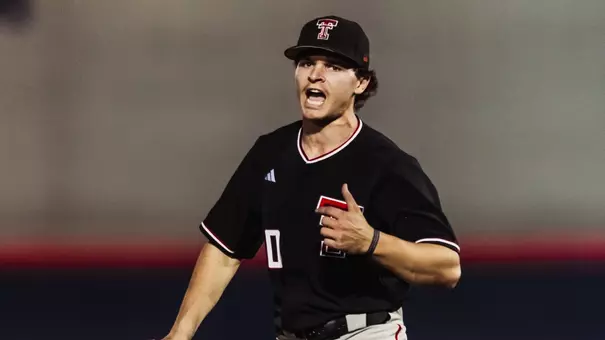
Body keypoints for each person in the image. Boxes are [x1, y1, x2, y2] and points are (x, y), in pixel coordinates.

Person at [161, 15, 461, 340]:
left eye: (333, 66)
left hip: (366, 332)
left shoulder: (386, 164)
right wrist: (180, 333)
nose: (315, 75)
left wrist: (372, 242)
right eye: (306, 63)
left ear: (360, 82)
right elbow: (224, 251)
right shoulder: (270, 153)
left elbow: (447, 267)